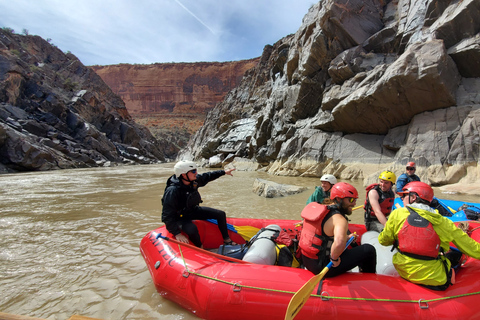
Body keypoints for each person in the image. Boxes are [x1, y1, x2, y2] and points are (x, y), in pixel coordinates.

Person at [379, 181, 480, 290]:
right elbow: (471, 247)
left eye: (404, 195)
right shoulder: (442, 222)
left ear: (413, 197)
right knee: (455, 255)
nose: (402, 199)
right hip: (433, 278)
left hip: (403, 270)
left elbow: (383, 240)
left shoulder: (397, 214)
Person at [299, 182, 377, 277]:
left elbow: (324, 235)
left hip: (307, 261)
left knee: (351, 246)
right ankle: (370, 281)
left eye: (355, 200)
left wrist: (347, 237)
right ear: (339, 198)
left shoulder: (321, 210)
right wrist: (334, 259)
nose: (354, 204)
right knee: (368, 250)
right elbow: (339, 242)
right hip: (324, 266)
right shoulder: (339, 219)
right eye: (351, 200)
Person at [161, 160, 237, 248]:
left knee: (220, 214)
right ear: (183, 174)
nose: (196, 173)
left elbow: (208, 176)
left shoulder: (194, 181)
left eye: (196, 170)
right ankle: (200, 247)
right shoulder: (172, 191)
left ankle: (227, 240)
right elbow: (166, 215)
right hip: (179, 217)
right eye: (193, 171)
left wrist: (223, 172)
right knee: (192, 229)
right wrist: (177, 233)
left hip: (192, 210)